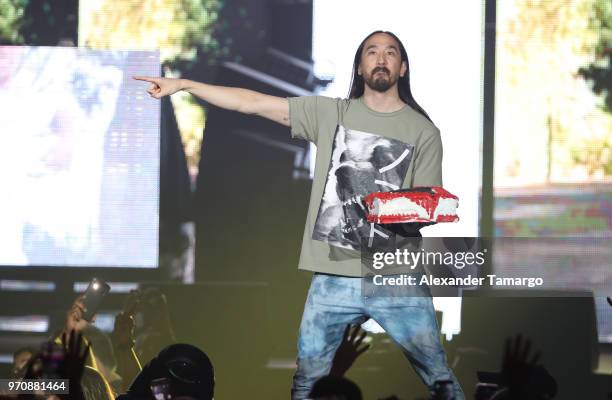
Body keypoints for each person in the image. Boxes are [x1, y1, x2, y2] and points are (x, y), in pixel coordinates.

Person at [134, 30, 464, 399]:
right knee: (307, 381)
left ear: (402, 67)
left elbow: (428, 204)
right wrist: (184, 84)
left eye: (391, 52)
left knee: (439, 377)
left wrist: (383, 209)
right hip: (333, 277)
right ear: (360, 65)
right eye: (372, 51)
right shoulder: (330, 114)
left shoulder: (423, 131)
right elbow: (252, 103)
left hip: (393, 274)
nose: (381, 58)